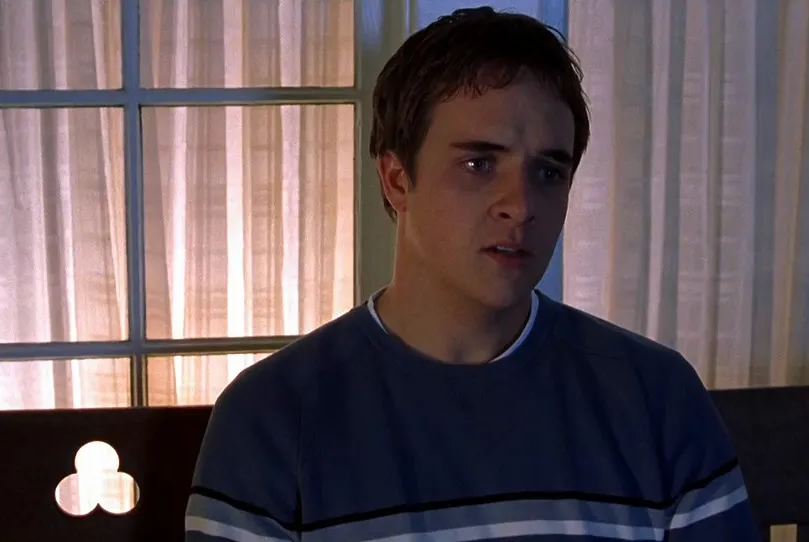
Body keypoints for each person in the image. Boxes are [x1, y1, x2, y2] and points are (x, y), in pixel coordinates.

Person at [185, 7, 760, 541]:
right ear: (396, 179)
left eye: (549, 172)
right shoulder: (273, 418)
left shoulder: (656, 398)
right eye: (479, 164)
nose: (521, 205)